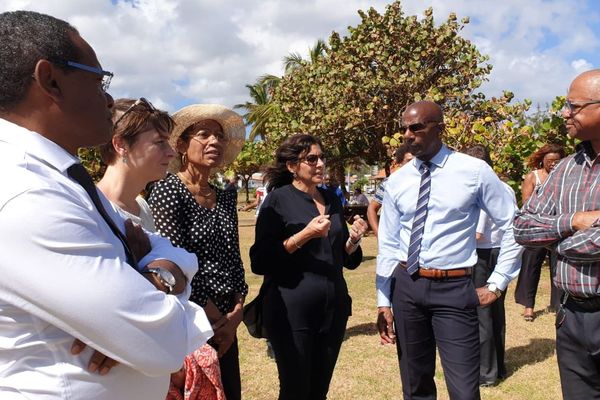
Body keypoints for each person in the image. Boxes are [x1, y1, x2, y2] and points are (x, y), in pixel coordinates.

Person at [0, 11, 212, 400]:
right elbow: (161, 341)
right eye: (99, 80)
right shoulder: (27, 193)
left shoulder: (62, 178)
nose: (109, 97)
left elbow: (168, 251)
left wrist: (158, 274)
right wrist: (140, 317)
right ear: (50, 81)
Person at [376, 101, 522, 399]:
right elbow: (389, 243)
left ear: (439, 128)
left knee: (465, 390)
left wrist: (497, 282)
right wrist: (383, 300)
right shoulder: (397, 181)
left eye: (416, 127)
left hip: (454, 288)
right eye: (404, 128)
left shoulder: (473, 171)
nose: (407, 134)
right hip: (407, 285)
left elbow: (513, 225)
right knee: (415, 386)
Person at [96, 98, 225, 399]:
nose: (170, 152)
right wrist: (164, 274)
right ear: (120, 145)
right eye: (158, 143)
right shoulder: (92, 208)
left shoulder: (141, 208)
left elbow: (184, 268)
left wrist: (161, 273)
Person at [249, 134, 368, 400]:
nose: (320, 164)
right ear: (292, 166)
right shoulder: (277, 201)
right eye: (311, 159)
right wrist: (304, 235)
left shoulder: (332, 200)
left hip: (332, 310)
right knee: (295, 391)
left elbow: (343, 258)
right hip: (291, 312)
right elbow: (260, 260)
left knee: (319, 390)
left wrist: (353, 240)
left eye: (322, 158)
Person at [148, 104, 247, 400]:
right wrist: (215, 321)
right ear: (181, 144)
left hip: (227, 320)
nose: (214, 142)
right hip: (191, 321)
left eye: (218, 136)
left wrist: (237, 311)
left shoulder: (225, 197)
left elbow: (234, 258)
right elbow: (173, 263)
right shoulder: (168, 191)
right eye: (204, 134)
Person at [514, 69, 600, 399]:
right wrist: (572, 221)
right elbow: (522, 226)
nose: (564, 113)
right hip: (572, 318)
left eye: (573, 106)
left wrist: (559, 245)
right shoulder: (565, 168)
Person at [464, 145, 519, 387]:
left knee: (482, 313)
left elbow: (477, 232)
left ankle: (485, 372)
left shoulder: (483, 186)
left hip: (483, 255)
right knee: (495, 313)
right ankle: (498, 366)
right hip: (498, 252)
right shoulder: (505, 187)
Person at [514, 143, 566, 321]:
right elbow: (527, 203)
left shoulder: (564, 178)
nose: (553, 164)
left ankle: (558, 304)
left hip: (558, 228)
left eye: (557, 161)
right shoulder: (533, 177)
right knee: (531, 267)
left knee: (557, 267)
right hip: (537, 229)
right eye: (550, 160)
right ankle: (529, 306)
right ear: (542, 160)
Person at [367, 144, 413, 237]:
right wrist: (379, 236)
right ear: (399, 163)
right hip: (395, 241)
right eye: (409, 161)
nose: (413, 164)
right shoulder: (389, 183)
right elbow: (371, 209)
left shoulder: (425, 181)